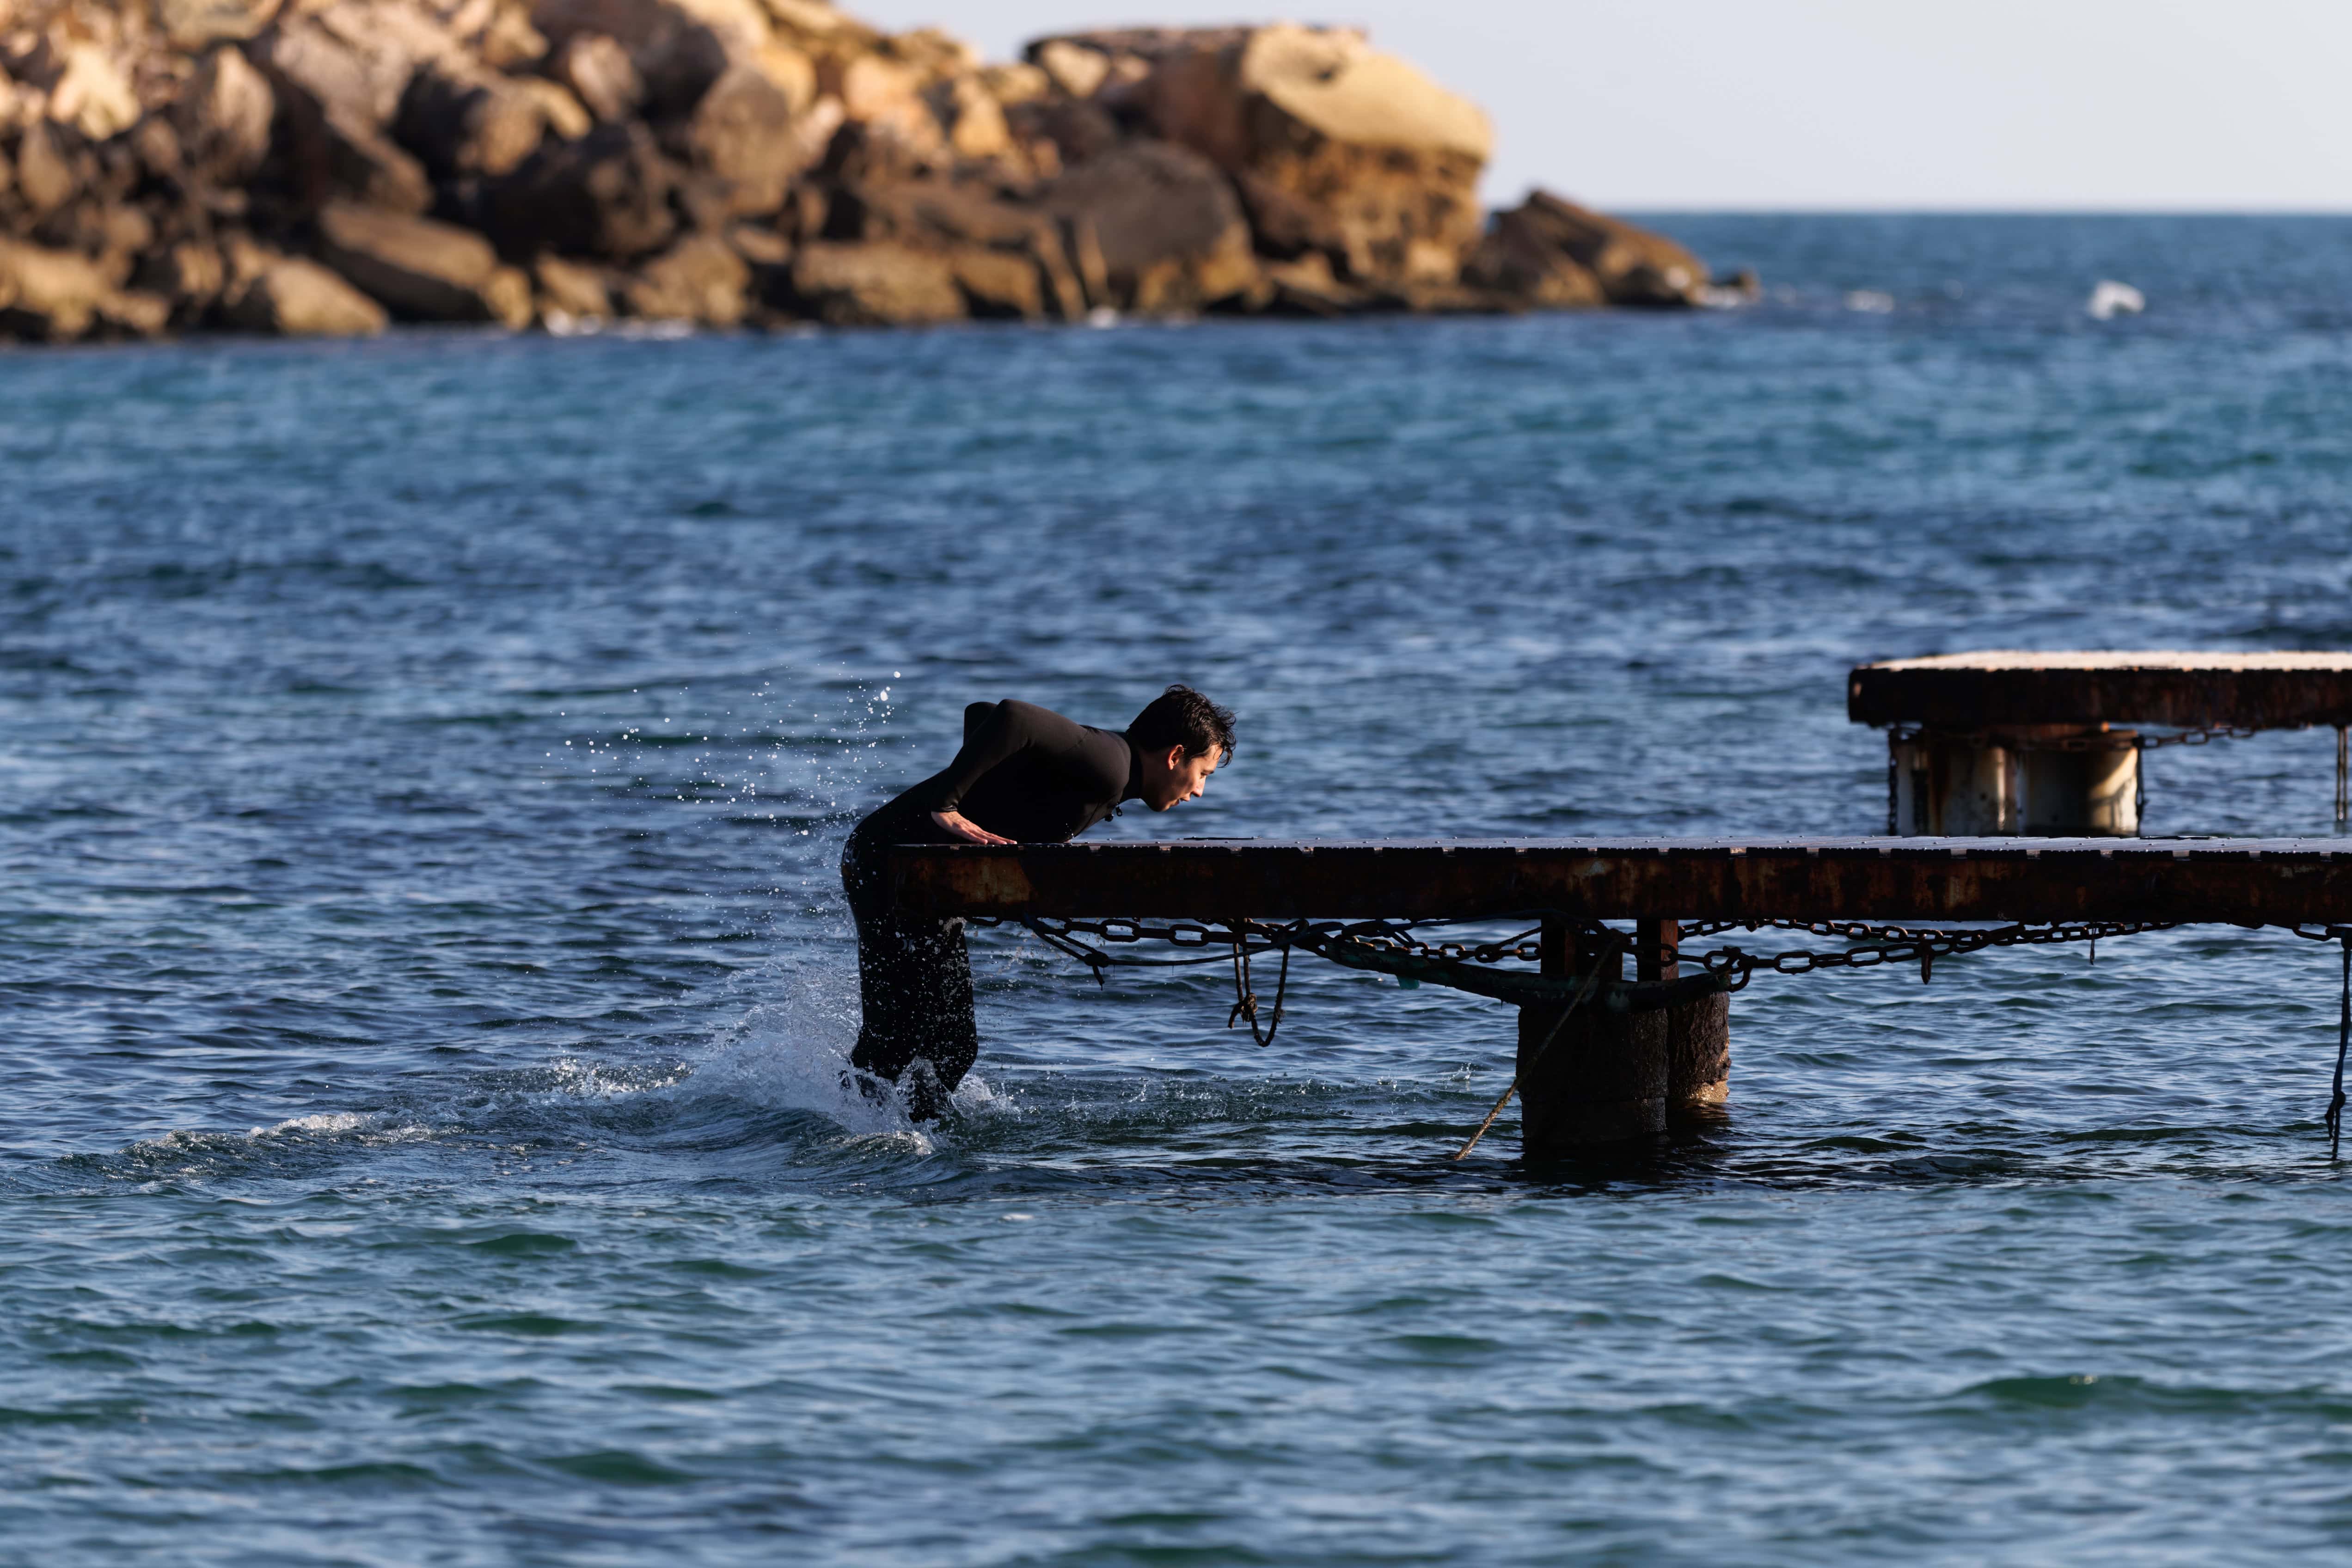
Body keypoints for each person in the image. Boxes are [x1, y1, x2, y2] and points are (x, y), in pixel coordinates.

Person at [841, 685, 1236, 1118]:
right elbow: (1013, 717)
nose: (1199, 791)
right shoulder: (1108, 765)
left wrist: (999, 794)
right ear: (1175, 755)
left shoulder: (1112, 777)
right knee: (894, 1039)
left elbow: (981, 714)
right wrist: (946, 804)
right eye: (1204, 774)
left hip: (929, 882)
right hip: (888, 863)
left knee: (954, 1046)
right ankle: (846, 1135)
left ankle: (912, 1135)